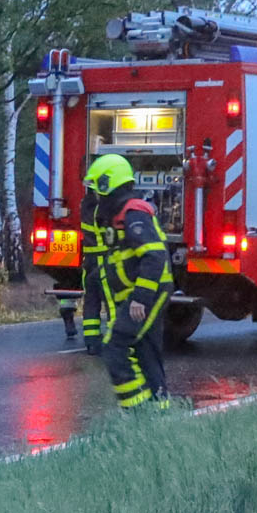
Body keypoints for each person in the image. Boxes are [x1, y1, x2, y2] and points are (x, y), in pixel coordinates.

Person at [86, 153, 173, 410]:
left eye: (98, 188)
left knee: (116, 346)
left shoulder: (134, 213)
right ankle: (158, 409)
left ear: (109, 184)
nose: (96, 196)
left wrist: (140, 298)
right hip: (140, 292)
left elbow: (154, 256)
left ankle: (137, 410)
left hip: (150, 292)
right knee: (146, 350)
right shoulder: (118, 216)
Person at [78, 187, 105, 356]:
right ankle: (117, 342)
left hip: (89, 263)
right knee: (113, 304)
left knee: (91, 301)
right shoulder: (102, 210)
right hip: (104, 262)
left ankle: (91, 342)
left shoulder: (86, 207)